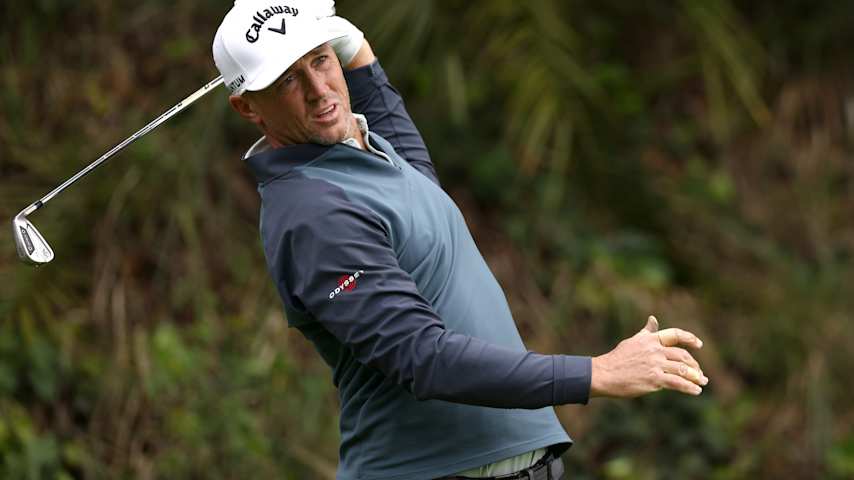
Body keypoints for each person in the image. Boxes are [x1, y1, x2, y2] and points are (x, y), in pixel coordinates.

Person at [212, 2, 709, 479]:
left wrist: (346, 38)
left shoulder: (374, 157)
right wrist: (597, 373)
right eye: (288, 80)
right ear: (247, 106)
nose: (319, 90)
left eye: (321, 60)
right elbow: (421, 355)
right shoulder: (315, 214)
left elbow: (385, 114)